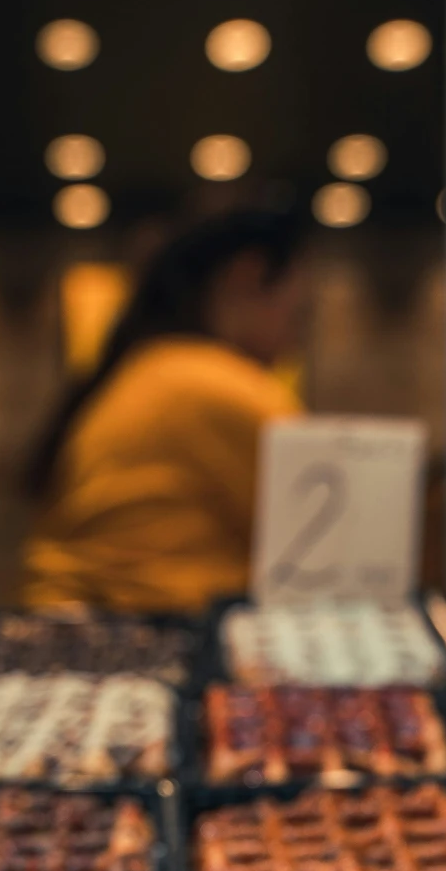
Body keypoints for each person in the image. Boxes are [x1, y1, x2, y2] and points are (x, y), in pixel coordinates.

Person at [21, 208, 304, 614]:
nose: (292, 343)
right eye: (296, 315)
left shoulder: (142, 371)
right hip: (148, 642)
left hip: (69, 627)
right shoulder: (224, 388)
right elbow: (334, 562)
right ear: (249, 275)